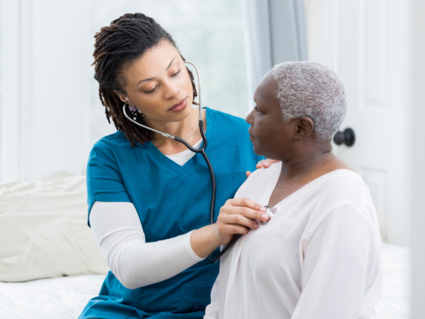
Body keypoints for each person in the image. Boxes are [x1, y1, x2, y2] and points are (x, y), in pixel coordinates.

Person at [79, 13, 275, 319]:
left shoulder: (248, 137)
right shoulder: (109, 158)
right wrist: (216, 233)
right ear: (124, 97)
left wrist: (285, 184)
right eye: (149, 88)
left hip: (224, 309)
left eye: (175, 71)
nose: (173, 91)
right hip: (131, 310)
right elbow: (128, 266)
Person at [204, 62, 383, 319]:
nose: (248, 118)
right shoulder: (258, 180)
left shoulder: (343, 207)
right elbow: (226, 289)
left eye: (260, 110)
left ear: (301, 128)